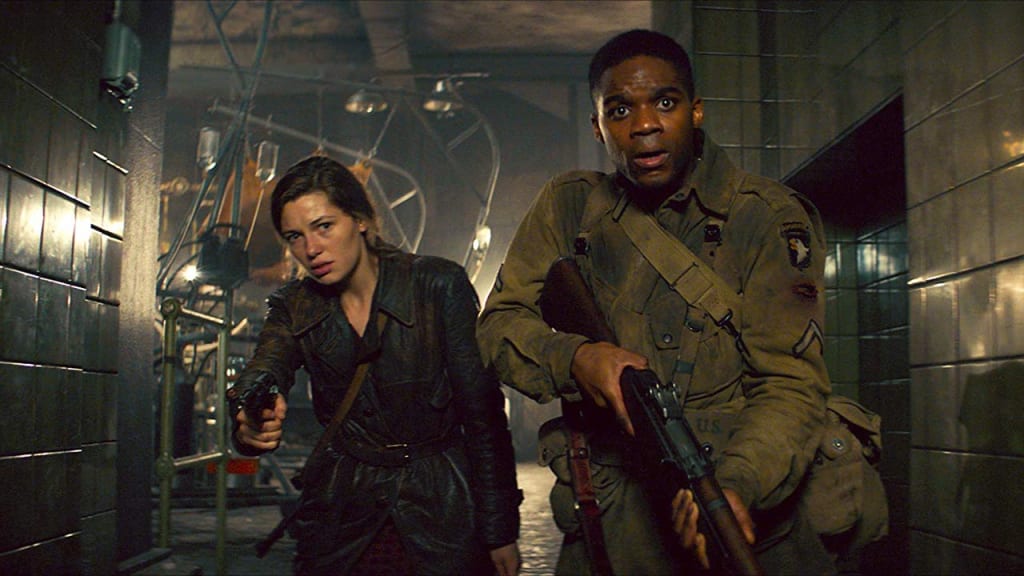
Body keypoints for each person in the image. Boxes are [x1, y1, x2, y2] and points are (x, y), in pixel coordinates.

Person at [477, 29, 836, 574]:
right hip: (608, 528)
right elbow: (496, 326)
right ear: (598, 127)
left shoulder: (766, 217)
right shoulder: (569, 208)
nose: (644, 125)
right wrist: (576, 358)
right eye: (620, 110)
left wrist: (736, 484)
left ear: (696, 111)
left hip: (735, 503)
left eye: (665, 103)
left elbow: (791, 384)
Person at [229, 156, 522, 576]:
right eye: (295, 236)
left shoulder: (437, 286)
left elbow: (483, 415)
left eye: (324, 226)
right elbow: (266, 365)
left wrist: (499, 530)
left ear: (361, 220)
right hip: (346, 513)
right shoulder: (294, 306)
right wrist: (250, 415)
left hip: (440, 508)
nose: (310, 249)